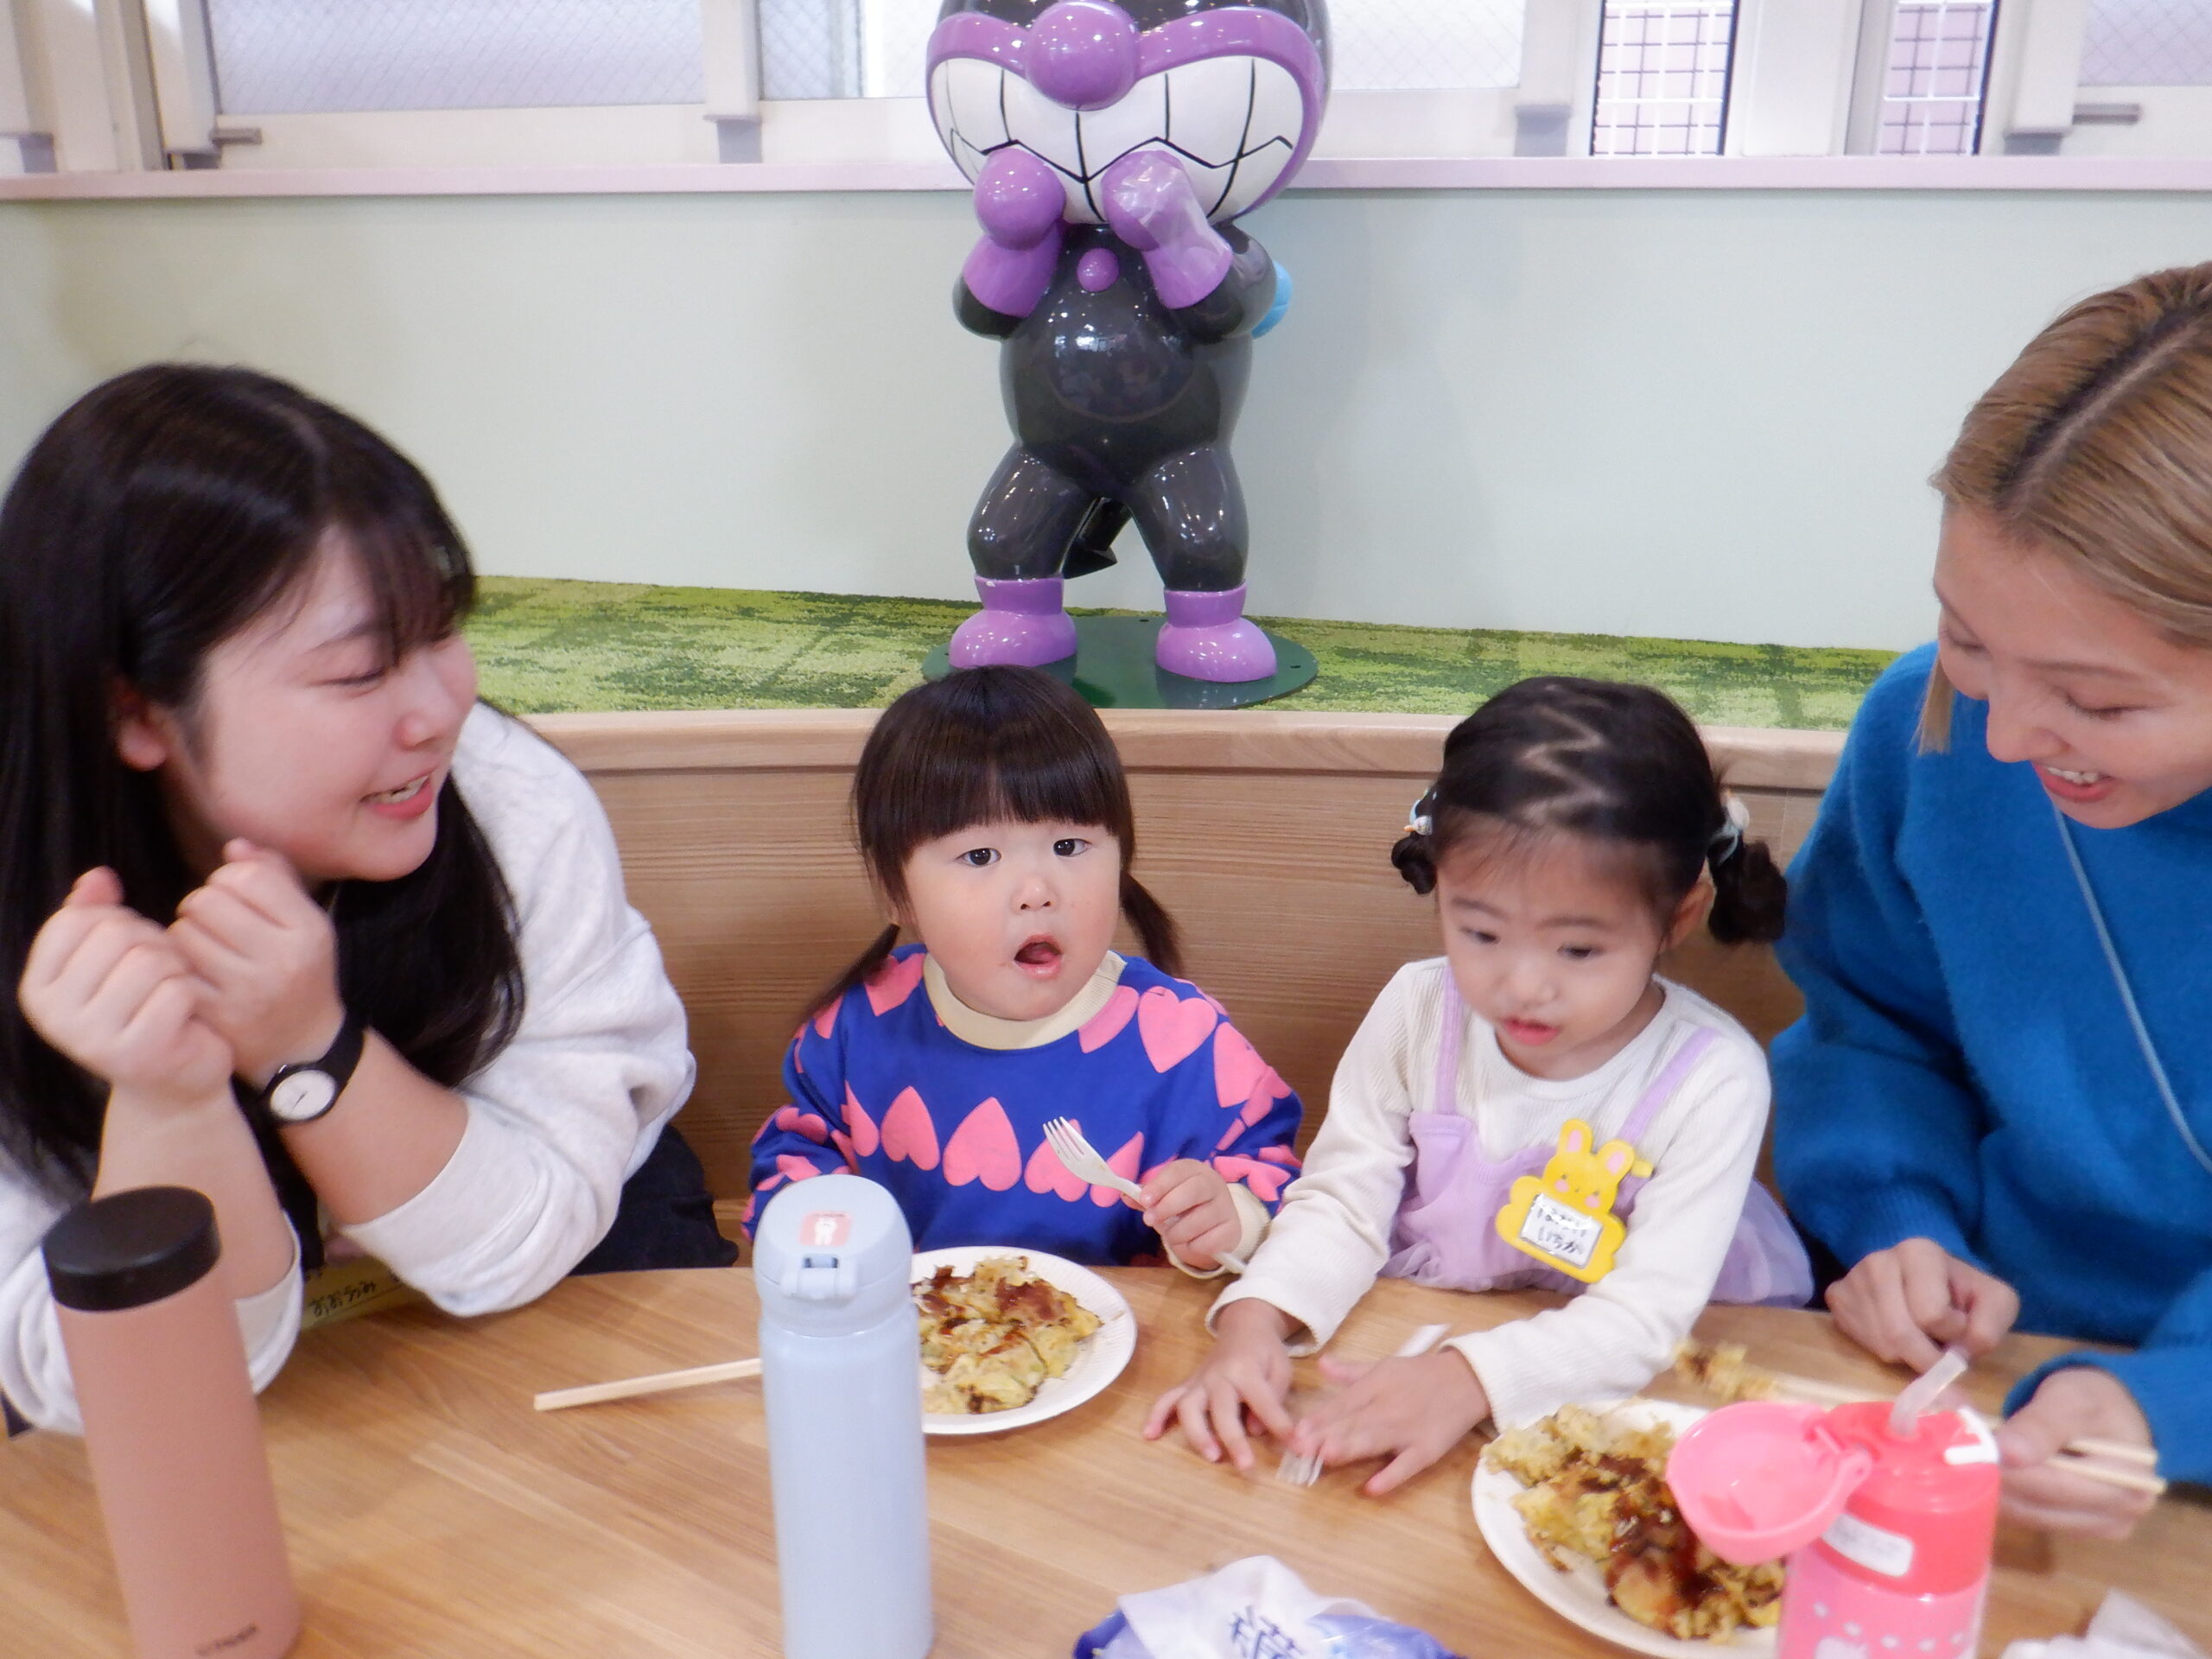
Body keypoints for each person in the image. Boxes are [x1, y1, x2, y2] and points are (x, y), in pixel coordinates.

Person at [0, 365, 731, 1434]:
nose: (440, 710)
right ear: (138, 711)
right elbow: (115, 1392)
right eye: (358, 674)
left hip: (552, 1269)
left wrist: (310, 1048)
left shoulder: (510, 804)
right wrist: (170, 1100)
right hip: (196, 1377)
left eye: (441, 630)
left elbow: (524, 1236)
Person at [1775, 264, 2212, 1540]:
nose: (2009, 736)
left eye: (2097, 700)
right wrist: (1896, 1222)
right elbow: (1867, 1025)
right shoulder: (1929, 732)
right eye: (1967, 637)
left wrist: (2174, 1403)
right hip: (1971, 1372)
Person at [1147, 677, 1810, 1493]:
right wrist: (1253, 1325)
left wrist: (1466, 1381)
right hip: (1424, 1329)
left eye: (1577, 950)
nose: (1523, 985)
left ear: (1678, 916)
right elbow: (1345, 1201)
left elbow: (1643, 1320)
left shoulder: (1712, 1077)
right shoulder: (1419, 1008)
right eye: (1482, 932)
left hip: (1605, 1381)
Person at [746, 665, 1301, 1268]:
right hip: (912, 1322)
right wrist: (821, 1237)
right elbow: (797, 1163)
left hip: (1128, 1322)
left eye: (1069, 847)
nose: (1036, 892)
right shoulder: (858, 1027)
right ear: (896, 892)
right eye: (980, 855)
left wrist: (1233, 1218)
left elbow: (1275, 1179)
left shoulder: (1186, 1039)